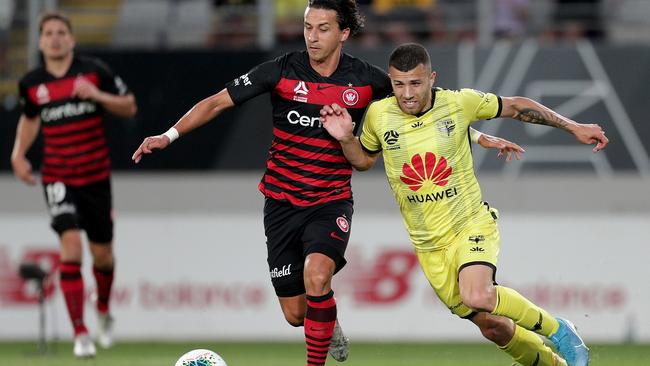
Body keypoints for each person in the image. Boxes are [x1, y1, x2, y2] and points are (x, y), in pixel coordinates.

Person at [132, 2, 521, 365]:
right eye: (307, 27)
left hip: (330, 201)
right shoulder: (280, 71)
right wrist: (168, 136)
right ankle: (328, 321)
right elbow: (216, 102)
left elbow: (418, 111)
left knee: (317, 275)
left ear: (344, 33)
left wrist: (479, 136)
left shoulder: (368, 81)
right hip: (281, 203)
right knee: (295, 313)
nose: (312, 36)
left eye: (322, 28)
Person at [320, 43, 608, 366]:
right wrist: (346, 138)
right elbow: (363, 160)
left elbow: (514, 106)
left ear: (432, 78)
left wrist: (574, 127)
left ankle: (560, 331)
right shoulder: (378, 115)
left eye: (415, 83)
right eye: (399, 84)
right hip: (429, 247)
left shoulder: (458, 103)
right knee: (493, 326)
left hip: (469, 224)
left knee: (478, 294)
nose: (407, 94)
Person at [11, 12, 137, 358]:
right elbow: (30, 118)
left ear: (71, 39)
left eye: (60, 32)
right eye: (48, 33)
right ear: (40, 41)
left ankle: (104, 311)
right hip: (58, 176)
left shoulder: (94, 72)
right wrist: (19, 154)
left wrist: (97, 95)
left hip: (95, 177)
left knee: (103, 256)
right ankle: (80, 333)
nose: (54, 38)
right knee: (70, 247)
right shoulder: (32, 84)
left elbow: (128, 105)